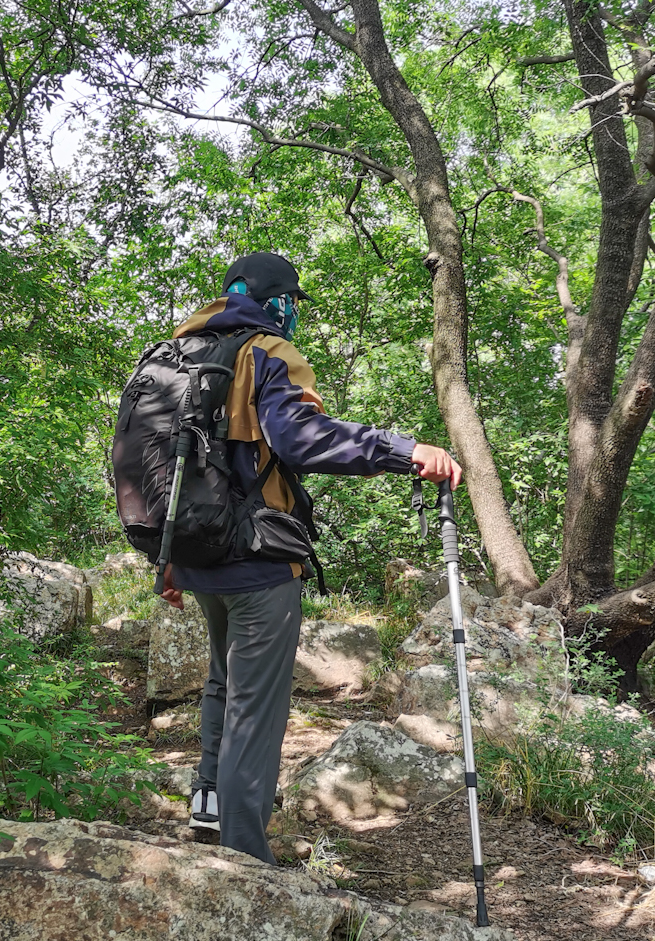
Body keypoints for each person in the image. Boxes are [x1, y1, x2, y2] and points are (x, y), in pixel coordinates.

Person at [163, 252, 460, 865]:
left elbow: (164, 468)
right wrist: (404, 450)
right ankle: (245, 862)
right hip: (258, 560)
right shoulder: (268, 350)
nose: (294, 311)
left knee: (223, 681)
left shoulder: (179, 352)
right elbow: (301, 437)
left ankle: (208, 808)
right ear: (272, 299)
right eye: (292, 300)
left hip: (199, 558)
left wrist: (164, 557)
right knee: (256, 705)